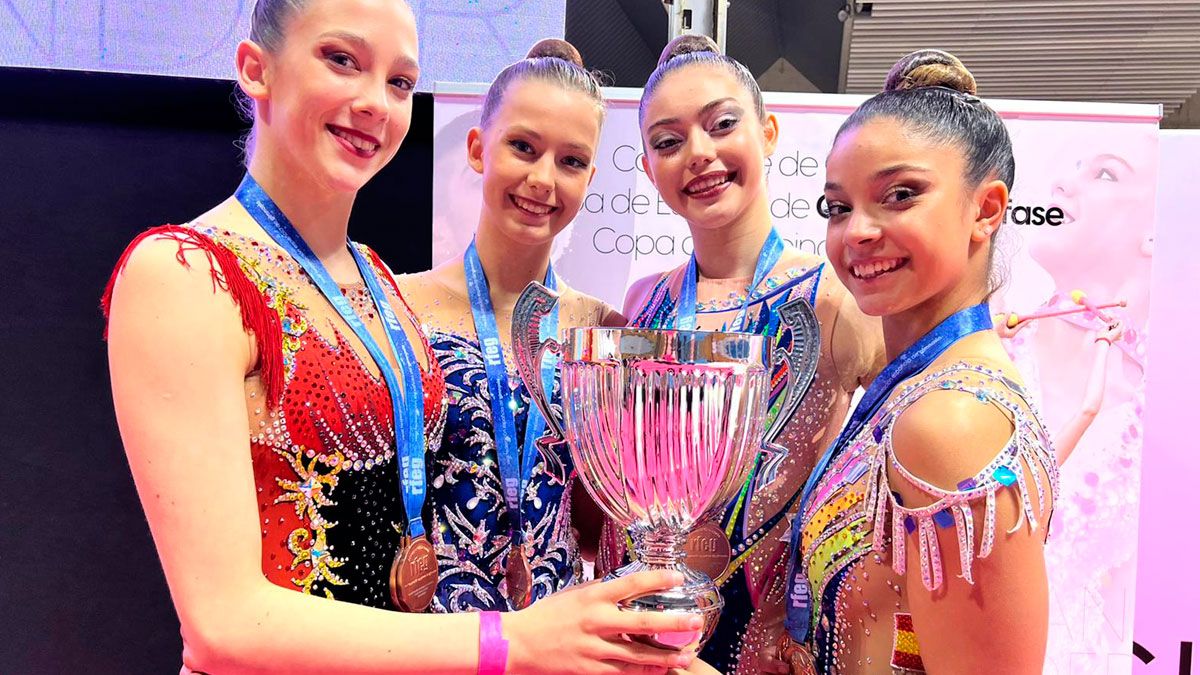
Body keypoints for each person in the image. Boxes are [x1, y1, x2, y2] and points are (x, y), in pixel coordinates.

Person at [103, 1, 701, 672]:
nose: (373, 102)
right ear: (255, 68)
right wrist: (512, 640)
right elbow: (223, 620)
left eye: (399, 82)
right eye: (342, 60)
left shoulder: (378, 285)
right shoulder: (185, 274)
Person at [779, 50, 1059, 673]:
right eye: (839, 206)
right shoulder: (915, 389)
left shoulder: (950, 422)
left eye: (900, 196)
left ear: (985, 209)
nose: (857, 231)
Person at [616, 35, 885, 675]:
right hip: (648, 625)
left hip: (770, 636)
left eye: (721, 124)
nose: (699, 154)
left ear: (767, 131)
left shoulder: (834, 298)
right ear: (649, 167)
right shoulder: (642, 301)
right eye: (668, 140)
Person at [394, 39, 621, 613]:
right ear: (477, 148)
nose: (544, 179)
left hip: (558, 639)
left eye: (571, 161)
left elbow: (601, 522)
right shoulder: (399, 306)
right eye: (523, 147)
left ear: (590, 177)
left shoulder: (602, 329)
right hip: (432, 642)